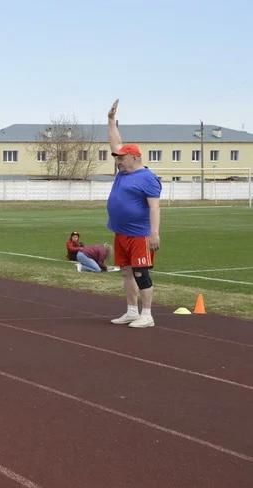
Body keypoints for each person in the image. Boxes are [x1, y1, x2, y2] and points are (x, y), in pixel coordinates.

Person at [107, 99, 162, 328]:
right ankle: (131, 311)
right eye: (118, 158)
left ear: (134, 157)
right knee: (127, 273)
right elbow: (115, 142)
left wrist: (154, 233)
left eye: (122, 158)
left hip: (140, 235)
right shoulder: (122, 172)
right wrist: (110, 120)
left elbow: (154, 207)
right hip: (121, 233)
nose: (118, 161)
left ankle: (147, 314)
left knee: (141, 273)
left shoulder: (147, 178)